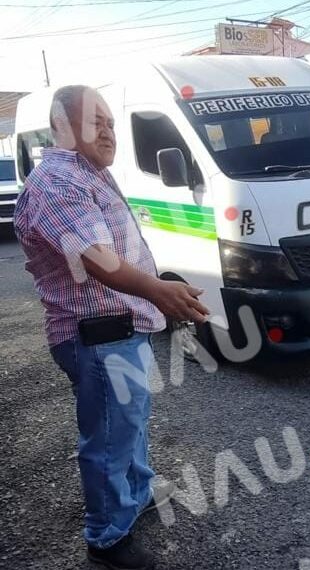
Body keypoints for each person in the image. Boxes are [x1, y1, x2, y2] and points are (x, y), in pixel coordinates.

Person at [14, 85, 210, 570]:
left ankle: (136, 494)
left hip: (119, 329)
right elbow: (98, 260)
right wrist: (159, 290)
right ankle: (107, 537)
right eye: (94, 120)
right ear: (62, 126)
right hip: (97, 336)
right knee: (108, 437)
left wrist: (153, 290)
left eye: (110, 121)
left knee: (131, 424)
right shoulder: (59, 182)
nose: (108, 130)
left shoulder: (87, 175)